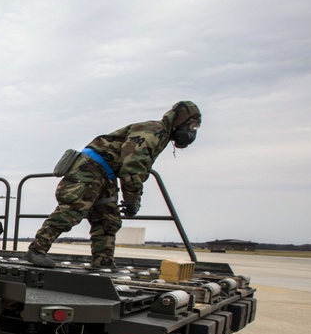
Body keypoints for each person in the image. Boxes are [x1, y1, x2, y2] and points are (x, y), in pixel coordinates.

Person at [25, 101, 202, 269]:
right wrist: (132, 199)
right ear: (180, 120)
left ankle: (104, 262)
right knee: (72, 210)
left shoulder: (161, 136)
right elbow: (132, 165)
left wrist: (132, 197)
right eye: (191, 126)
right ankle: (37, 250)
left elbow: (133, 166)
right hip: (90, 169)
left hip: (106, 175)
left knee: (108, 220)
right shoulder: (153, 131)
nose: (191, 132)